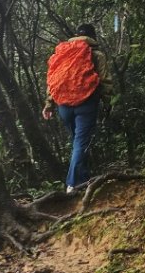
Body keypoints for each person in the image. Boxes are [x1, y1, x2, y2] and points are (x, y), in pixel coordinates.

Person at [42, 23, 114, 193]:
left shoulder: (63, 54)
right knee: (81, 143)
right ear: (93, 37)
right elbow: (105, 82)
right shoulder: (96, 54)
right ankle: (72, 184)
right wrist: (108, 102)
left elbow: (54, 80)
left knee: (77, 143)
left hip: (63, 106)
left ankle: (83, 180)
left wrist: (49, 105)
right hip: (86, 104)